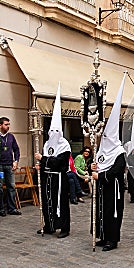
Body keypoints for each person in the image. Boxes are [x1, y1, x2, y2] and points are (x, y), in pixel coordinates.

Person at [91, 74, 127, 251]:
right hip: (102, 186)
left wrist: (101, 175)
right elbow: (98, 162)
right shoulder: (101, 149)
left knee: (112, 213)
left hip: (113, 188)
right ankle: (102, 236)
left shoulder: (120, 152)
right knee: (101, 212)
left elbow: (116, 170)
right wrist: (93, 166)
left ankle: (112, 240)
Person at [35, 86, 71, 238]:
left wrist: (42, 160)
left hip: (59, 178)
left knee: (60, 203)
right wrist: (40, 166)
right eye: (52, 131)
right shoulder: (47, 144)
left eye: (57, 131)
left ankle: (64, 228)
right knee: (47, 201)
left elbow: (59, 162)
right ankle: (49, 225)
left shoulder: (64, 145)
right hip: (47, 178)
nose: (54, 134)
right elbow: (48, 161)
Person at [0, 116, 21, 216]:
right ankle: (1, 209)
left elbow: (16, 149)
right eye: (6, 124)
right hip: (0, 167)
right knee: (0, 187)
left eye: (9, 124)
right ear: (0, 125)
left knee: (11, 187)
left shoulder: (11, 137)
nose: (8, 126)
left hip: (9, 166)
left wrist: (16, 161)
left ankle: (11, 208)